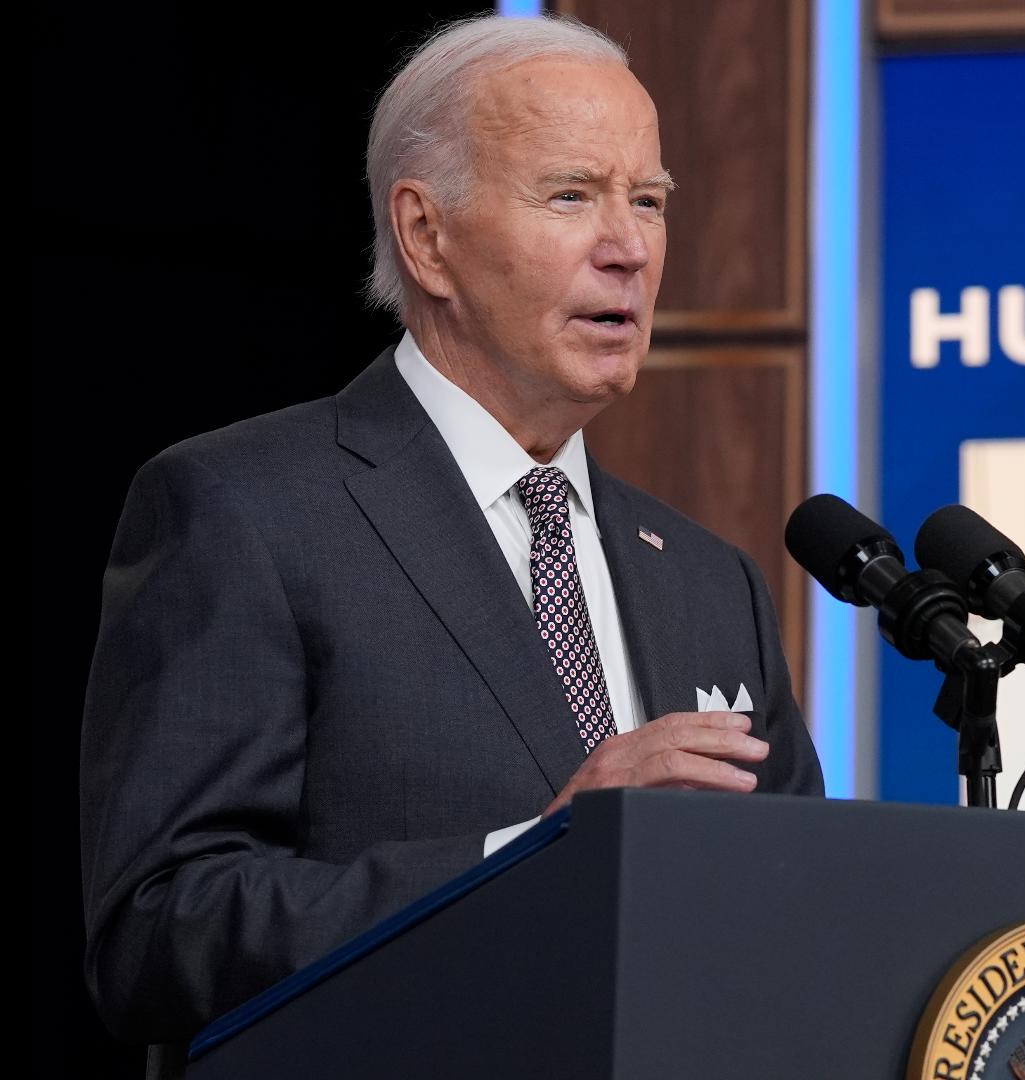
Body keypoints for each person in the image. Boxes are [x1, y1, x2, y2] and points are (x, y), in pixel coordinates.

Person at [77, 13, 822, 1075]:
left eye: (648, 202)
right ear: (428, 237)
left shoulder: (712, 580)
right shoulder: (244, 510)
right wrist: (531, 859)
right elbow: (162, 929)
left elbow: (794, 920)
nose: (630, 247)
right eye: (572, 195)